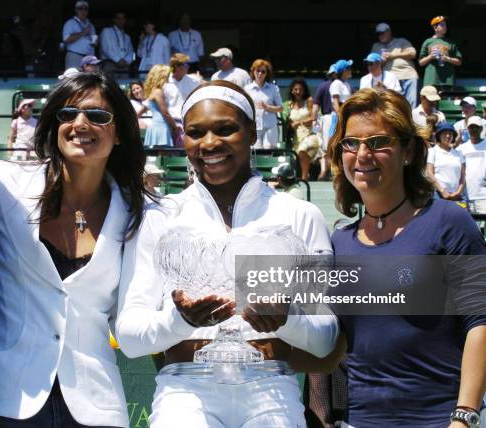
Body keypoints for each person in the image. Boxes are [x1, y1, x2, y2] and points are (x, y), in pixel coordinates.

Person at [116, 80, 339, 428]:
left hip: (272, 390)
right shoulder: (159, 216)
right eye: (195, 132)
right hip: (183, 393)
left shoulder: (299, 215)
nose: (209, 143)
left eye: (226, 129)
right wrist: (181, 321)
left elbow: (325, 339)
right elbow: (129, 336)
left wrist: (287, 319)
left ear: (251, 133)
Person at [0, 72, 148, 427]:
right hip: (8, 398)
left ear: (118, 135)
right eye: (67, 114)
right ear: (54, 126)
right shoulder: (2, 185)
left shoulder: (138, 213)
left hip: (95, 404)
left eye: (98, 116)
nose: (80, 123)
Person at [326, 88, 486, 426]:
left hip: (440, 419)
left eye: (379, 142)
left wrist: (465, 416)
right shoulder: (338, 243)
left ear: (409, 151)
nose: (362, 154)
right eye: (351, 143)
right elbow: (331, 344)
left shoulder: (449, 222)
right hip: (360, 421)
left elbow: (480, 321)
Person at [370, 22, 419, 108]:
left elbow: (413, 53)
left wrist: (393, 55)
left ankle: (411, 121)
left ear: (389, 32)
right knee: (393, 105)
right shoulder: (376, 46)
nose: (381, 35)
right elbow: (371, 65)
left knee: (411, 104)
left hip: (408, 75)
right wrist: (382, 61)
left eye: (383, 33)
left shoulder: (401, 41)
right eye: (379, 34)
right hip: (389, 78)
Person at [283, 78, 321, 180]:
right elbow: (287, 122)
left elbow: (313, 118)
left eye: (300, 89)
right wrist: (290, 125)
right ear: (292, 90)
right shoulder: (289, 105)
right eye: (296, 89)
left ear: (304, 91)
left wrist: (299, 122)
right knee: (300, 152)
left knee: (302, 150)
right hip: (296, 139)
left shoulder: (309, 101)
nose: (298, 92)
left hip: (310, 135)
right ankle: (308, 174)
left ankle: (304, 177)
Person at [243, 59, 283, 150]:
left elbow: (280, 108)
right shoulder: (247, 89)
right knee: (255, 153)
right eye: (258, 70)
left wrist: (267, 107)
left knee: (269, 151)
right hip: (254, 126)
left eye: (263, 71)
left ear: (267, 74)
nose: (260, 74)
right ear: (253, 71)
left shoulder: (273, 88)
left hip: (270, 126)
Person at [418, 15, 462, 89]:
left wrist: (447, 58)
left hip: (448, 81)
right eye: (442, 25)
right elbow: (421, 63)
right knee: (431, 100)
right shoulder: (427, 42)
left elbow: (459, 62)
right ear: (435, 28)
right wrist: (431, 56)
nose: (445, 27)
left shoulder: (451, 42)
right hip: (431, 80)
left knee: (447, 100)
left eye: (445, 25)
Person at [427, 121, 465, 201]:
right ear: (439, 135)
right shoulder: (432, 151)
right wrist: (443, 191)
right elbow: (429, 173)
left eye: (450, 133)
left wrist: (458, 192)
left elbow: (463, 176)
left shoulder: (459, 153)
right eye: (444, 133)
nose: (448, 136)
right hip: (437, 195)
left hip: (456, 196)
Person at [312, 64, 337, 180]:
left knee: (326, 147)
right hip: (333, 118)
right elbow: (315, 106)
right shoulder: (342, 86)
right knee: (332, 146)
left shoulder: (322, 86)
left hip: (326, 119)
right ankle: (330, 172)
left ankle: (324, 171)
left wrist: (314, 120)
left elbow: (315, 106)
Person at [143, 64, 177, 148]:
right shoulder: (158, 91)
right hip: (161, 127)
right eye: (167, 75)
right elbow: (165, 113)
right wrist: (175, 127)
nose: (169, 77)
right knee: (163, 156)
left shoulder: (153, 91)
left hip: (157, 126)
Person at [457, 116, 486, 211]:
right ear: (467, 129)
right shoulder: (461, 149)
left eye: (476, 127)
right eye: (471, 127)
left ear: (481, 129)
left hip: (483, 197)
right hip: (466, 197)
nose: (473, 130)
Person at [163, 53, 200, 127]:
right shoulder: (164, 83)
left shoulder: (195, 81)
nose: (188, 67)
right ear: (176, 66)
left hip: (190, 122)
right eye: (185, 65)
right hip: (171, 123)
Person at [62, 0, 97, 69]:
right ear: (76, 10)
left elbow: (94, 40)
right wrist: (83, 33)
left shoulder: (91, 25)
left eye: (85, 9)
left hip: (89, 58)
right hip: (75, 56)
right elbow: (66, 39)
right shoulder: (70, 23)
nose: (83, 11)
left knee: (89, 79)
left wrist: (95, 42)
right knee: (73, 78)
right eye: (80, 8)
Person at [99, 11, 134, 78]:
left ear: (125, 20)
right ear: (114, 20)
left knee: (123, 86)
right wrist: (118, 60)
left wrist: (127, 61)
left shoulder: (127, 36)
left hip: (124, 65)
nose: (121, 20)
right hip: (110, 64)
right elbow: (106, 49)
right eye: (118, 18)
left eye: (123, 18)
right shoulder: (107, 31)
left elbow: (131, 51)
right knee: (109, 86)